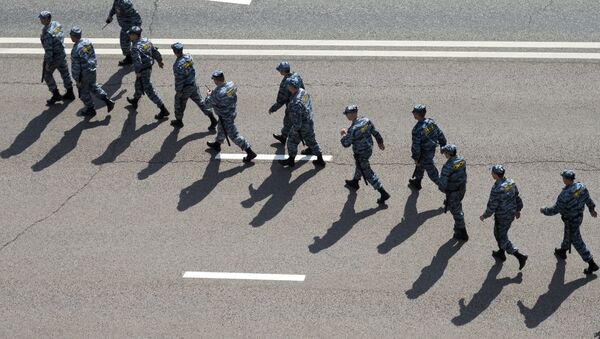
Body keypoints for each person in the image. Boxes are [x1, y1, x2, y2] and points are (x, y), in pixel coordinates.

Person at [541, 170, 599, 275]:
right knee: (568, 233)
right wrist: (592, 210)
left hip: (571, 220)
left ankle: (591, 263)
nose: (562, 179)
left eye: (563, 178)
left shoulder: (565, 195)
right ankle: (563, 250)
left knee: (577, 241)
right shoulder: (582, 187)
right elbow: (588, 199)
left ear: (567, 179)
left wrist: (544, 210)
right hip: (579, 217)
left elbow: (555, 210)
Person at [479, 165, 528, 269]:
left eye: (492, 173)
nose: (491, 174)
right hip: (510, 214)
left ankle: (519, 256)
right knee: (499, 233)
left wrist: (484, 215)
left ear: (496, 175)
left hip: (501, 217)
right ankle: (501, 253)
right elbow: (517, 196)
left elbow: (492, 206)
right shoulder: (511, 182)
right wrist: (518, 210)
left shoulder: (496, 189)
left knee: (501, 237)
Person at [340, 105, 390, 204]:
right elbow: (375, 132)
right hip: (369, 149)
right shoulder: (366, 120)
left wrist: (343, 134)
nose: (346, 115)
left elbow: (346, 144)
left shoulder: (352, 129)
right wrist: (380, 142)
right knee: (360, 165)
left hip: (361, 153)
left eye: (347, 113)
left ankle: (383, 193)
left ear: (353, 114)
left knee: (368, 173)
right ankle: (355, 182)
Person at [205, 70, 257, 163]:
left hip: (225, 117)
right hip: (231, 111)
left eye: (214, 80)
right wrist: (214, 94)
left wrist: (209, 95)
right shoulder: (231, 84)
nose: (214, 82)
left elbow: (207, 105)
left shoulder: (219, 93)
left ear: (216, 80)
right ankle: (217, 144)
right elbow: (225, 95)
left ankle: (250, 152)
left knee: (234, 135)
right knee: (221, 127)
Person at [278, 78, 325, 168]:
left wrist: (296, 130)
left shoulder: (295, 103)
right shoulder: (303, 92)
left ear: (291, 87)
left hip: (302, 125)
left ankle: (291, 160)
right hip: (309, 120)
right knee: (311, 139)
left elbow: (297, 121)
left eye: (288, 85)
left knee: (291, 141)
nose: (287, 87)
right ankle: (320, 159)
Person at [170, 42, 217, 129]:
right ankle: (212, 118)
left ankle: (179, 121)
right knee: (201, 102)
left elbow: (179, 80)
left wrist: (179, 91)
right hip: (193, 84)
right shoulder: (189, 57)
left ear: (174, 52)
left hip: (185, 88)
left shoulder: (177, 65)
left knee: (179, 103)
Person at [125, 26, 170, 119]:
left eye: (130, 34)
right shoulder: (146, 41)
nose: (129, 36)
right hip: (148, 67)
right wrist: (159, 61)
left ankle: (163, 109)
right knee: (138, 84)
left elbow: (138, 62)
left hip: (143, 70)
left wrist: (138, 72)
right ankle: (135, 100)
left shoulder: (135, 47)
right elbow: (154, 51)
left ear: (135, 35)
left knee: (149, 90)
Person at [69, 27, 115, 117]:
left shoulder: (76, 50)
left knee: (83, 93)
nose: (70, 37)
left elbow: (76, 67)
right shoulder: (87, 42)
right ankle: (107, 100)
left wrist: (77, 80)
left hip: (83, 75)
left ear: (74, 36)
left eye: (71, 35)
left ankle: (90, 109)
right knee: (93, 86)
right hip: (92, 70)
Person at [269, 61, 307, 153]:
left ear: (282, 71)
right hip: (301, 103)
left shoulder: (286, 83)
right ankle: (283, 136)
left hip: (293, 106)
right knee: (288, 121)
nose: (279, 72)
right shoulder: (296, 75)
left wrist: (273, 108)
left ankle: (311, 146)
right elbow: (303, 89)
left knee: (301, 127)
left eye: (280, 70)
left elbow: (281, 99)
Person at [38, 11, 74, 106]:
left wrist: (48, 64)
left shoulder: (47, 33)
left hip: (54, 57)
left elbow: (49, 51)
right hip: (61, 54)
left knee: (47, 74)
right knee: (65, 73)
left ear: (47, 19)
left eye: (42, 18)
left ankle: (55, 94)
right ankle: (70, 92)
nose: (40, 20)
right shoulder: (56, 24)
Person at [408, 104, 447, 190]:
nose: (413, 114)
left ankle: (447, 190)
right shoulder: (430, 122)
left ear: (418, 114)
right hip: (431, 150)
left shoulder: (417, 129)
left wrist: (416, 158)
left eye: (414, 112)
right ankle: (417, 181)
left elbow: (416, 146)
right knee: (420, 166)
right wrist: (443, 144)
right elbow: (439, 133)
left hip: (424, 154)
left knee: (432, 173)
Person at [438, 144, 469, 241]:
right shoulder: (462, 160)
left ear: (448, 154)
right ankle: (458, 228)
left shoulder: (447, 166)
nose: (444, 155)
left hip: (453, 192)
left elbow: (442, 184)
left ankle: (462, 232)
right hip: (462, 188)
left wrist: (444, 189)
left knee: (456, 212)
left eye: (445, 153)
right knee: (457, 205)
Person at [106, 0, 142, 66]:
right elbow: (114, 8)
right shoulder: (117, 1)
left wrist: (135, 29)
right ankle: (129, 58)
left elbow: (134, 15)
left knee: (134, 43)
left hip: (131, 26)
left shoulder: (126, 3)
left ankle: (141, 59)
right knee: (124, 44)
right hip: (125, 26)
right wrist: (110, 16)